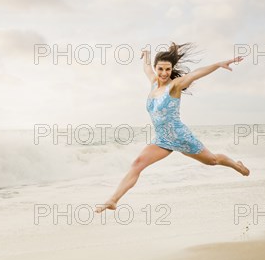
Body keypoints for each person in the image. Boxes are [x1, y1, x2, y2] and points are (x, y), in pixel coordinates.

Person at [95, 41, 250, 214]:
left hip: (181, 137)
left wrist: (217, 64)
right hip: (162, 139)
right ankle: (113, 200)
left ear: (171, 69)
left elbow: (196, 74)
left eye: (167, 69)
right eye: (160, 69)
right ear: (156, 68)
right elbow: (146, 68)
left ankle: (237, 165)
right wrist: (146, 54)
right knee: (137, 164)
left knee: (213, 160)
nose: (164, 73)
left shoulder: (174, 86)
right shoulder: (153, 82)